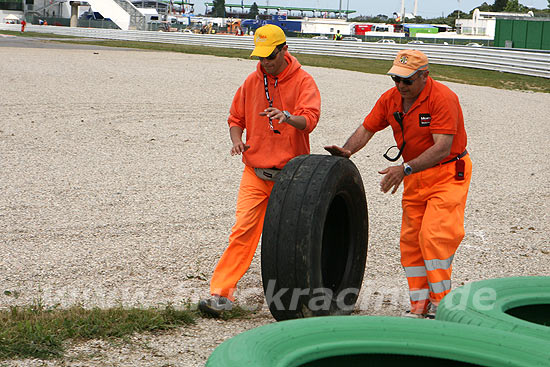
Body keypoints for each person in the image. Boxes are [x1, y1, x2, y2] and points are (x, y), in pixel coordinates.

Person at [325, 49, 472, 319]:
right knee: (411, 241)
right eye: (396, 79)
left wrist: (403, 168)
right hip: (415, 175)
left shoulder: (443, 98)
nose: (400, 85)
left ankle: (442, 304)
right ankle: (419, 304)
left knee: (434, 237)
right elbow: (367, 128)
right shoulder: (391, 99)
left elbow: (442, 148)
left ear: (424, 76)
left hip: (448, 173)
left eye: (407, 80)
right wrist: (347, 151)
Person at [199, 24, 321, 316]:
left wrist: (288, 117)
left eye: (270, 56)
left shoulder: (304, 81)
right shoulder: (251, 81)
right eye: (261, 57)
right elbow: (235, 117)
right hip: (255, 173)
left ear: (284, 50)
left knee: (295, 240)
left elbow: (310, 120)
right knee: (242, 231)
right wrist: (236, 140)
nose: (265, 62)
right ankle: (221, 295)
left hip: (292, 177)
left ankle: (309, 299)